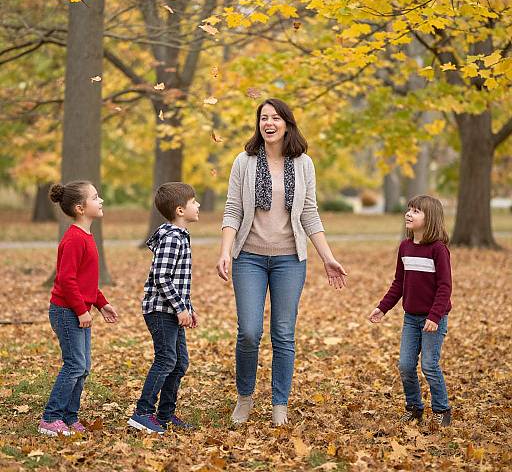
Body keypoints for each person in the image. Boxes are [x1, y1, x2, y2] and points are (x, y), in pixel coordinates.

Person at [216, 98, 348, 426]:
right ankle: (245, 398)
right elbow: (233, 209)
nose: (269, 123)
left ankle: (279, 404)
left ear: (287, 123)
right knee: (248, 331)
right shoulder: (243, 162)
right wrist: (224, 251)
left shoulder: (303, 164)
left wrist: (327, 257)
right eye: (264, 118)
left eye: (275, 117)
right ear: (258, 124)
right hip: (249, 258)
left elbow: (309, 213)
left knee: (284, 333)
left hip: (290, 260)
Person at [39, 181, 118, 436]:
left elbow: (86, 282)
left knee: (83, 367)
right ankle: (51, 418)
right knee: (74, 365)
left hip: (78, 309)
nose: (101, 200)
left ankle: (69, 417)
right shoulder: (74, 238)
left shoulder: (86, 236)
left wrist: (101, 303)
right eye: (96, 197)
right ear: (80, 208)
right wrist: (81, 310)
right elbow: (66, 280)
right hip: (66, 311)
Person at [368, 194, 452, 427]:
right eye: (409, 209)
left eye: (416, 211)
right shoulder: (405, 247)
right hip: (411, 319)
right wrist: (382, 308)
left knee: (429, 365)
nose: (408, 213)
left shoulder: (438, 250)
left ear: (430, 218)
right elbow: (398, 283)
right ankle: (414, 407)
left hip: (434, 319)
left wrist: (435, 316)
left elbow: (445, 287)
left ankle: (442, 409)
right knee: (405, 365)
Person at [128, 182, 200, 434]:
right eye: (194, 202)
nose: (198, 205)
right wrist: (180, 307)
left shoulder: (179, 236)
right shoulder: (171, 238)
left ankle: (165, 415)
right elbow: (161, 277)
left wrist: (187, 308)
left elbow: (179, 280)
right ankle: (142, 413)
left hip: (172, 309)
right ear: (180, 210)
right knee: (166, 359)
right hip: (160, 310)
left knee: (179, 363)